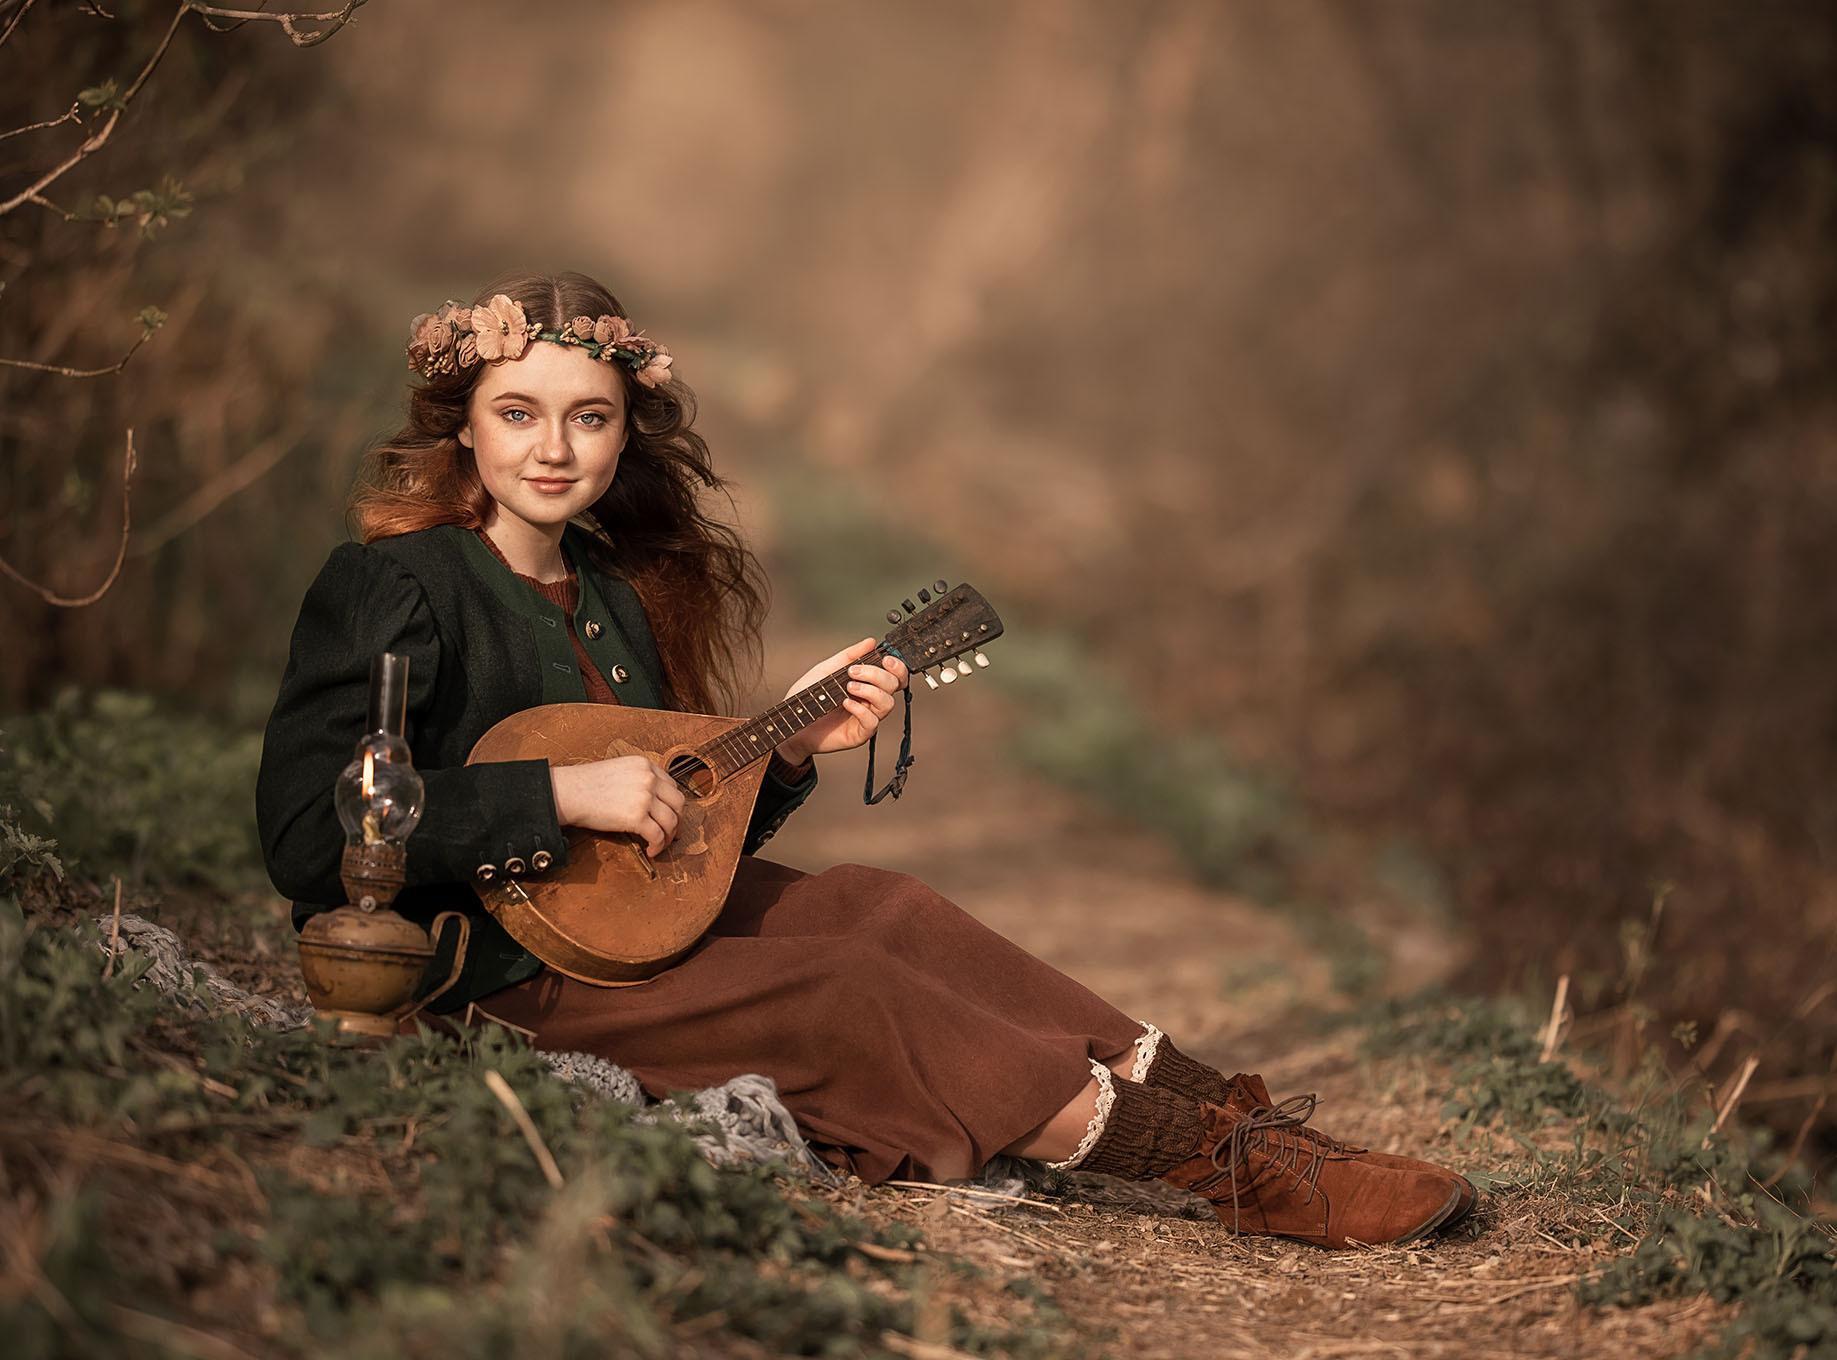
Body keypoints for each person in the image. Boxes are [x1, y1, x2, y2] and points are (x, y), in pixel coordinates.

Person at [257, 270, 1475, 1249]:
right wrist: (557, 792)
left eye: (590, 416)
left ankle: (1237, 1116)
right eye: (518, 414)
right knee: (846, 986)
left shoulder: (616, 599)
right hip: (490, 976)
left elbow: (664, 846)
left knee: (888, 910)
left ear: (627, 435)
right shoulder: (394, 585)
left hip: (626, 938)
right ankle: (1229, 1176)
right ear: (463, 427)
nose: (553, 448)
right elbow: (310, 834)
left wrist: (786, 756)